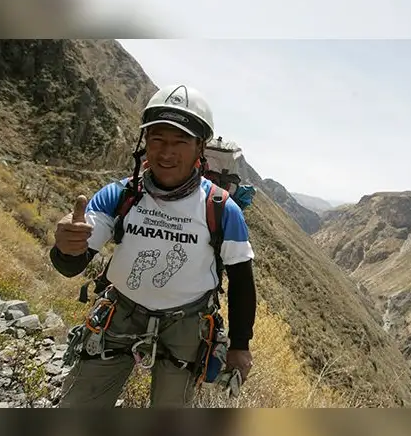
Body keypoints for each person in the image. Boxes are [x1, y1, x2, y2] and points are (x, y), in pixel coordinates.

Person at [50, 84, 257, 408]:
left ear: (199, 147)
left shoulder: (222, 209)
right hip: (121, 312)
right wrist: (66, 248)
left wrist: (240, 345)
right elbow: (71, 264)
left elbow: (242, 280)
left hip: (187, 323)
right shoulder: (119, 195)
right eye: (157, 139)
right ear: (145, 141)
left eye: (180, 141)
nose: (166, 152)